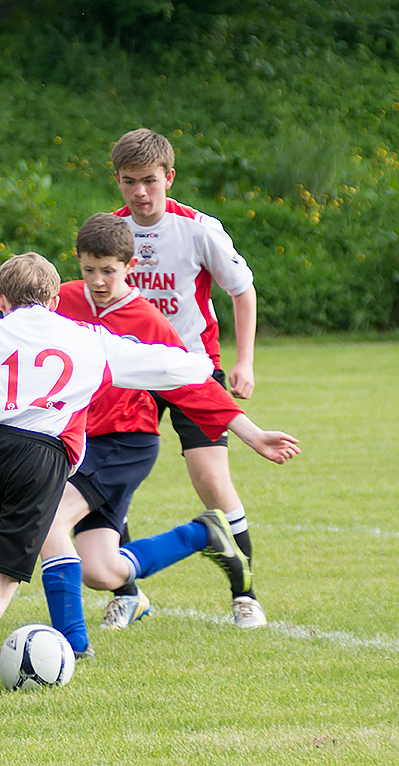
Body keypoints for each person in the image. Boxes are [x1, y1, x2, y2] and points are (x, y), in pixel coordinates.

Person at [0, 251, 221, 706]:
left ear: (1, 299)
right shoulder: (90, 339)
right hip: (44, 458)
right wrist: (204, 367)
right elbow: (167, 366)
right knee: (2, 580)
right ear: (56, 300)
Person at [40, 213, 300, 656]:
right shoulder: (62, 301)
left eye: (109, 270)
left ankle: (72, 646)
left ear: (129, 266)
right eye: (89, 270)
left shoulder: (149, 322)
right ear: (78, 264)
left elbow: (193, 384)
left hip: (124, 442)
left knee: (47, 520)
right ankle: (204, 535)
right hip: (77, 442)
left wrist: (251, 433)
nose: (98, 281)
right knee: (100, 570)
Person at [111, 128, 267, 627]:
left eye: (149, 181)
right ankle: (126, 592)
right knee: (107, 481)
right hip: (128, 373)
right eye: (129, 182)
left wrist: (243, 362)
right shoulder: (110, 232)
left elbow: (242, 290)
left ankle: (246, 594)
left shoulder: (200, 229)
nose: (140, 192)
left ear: (169, 178)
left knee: (211, 479)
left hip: (193, 367)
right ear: (117, 181)